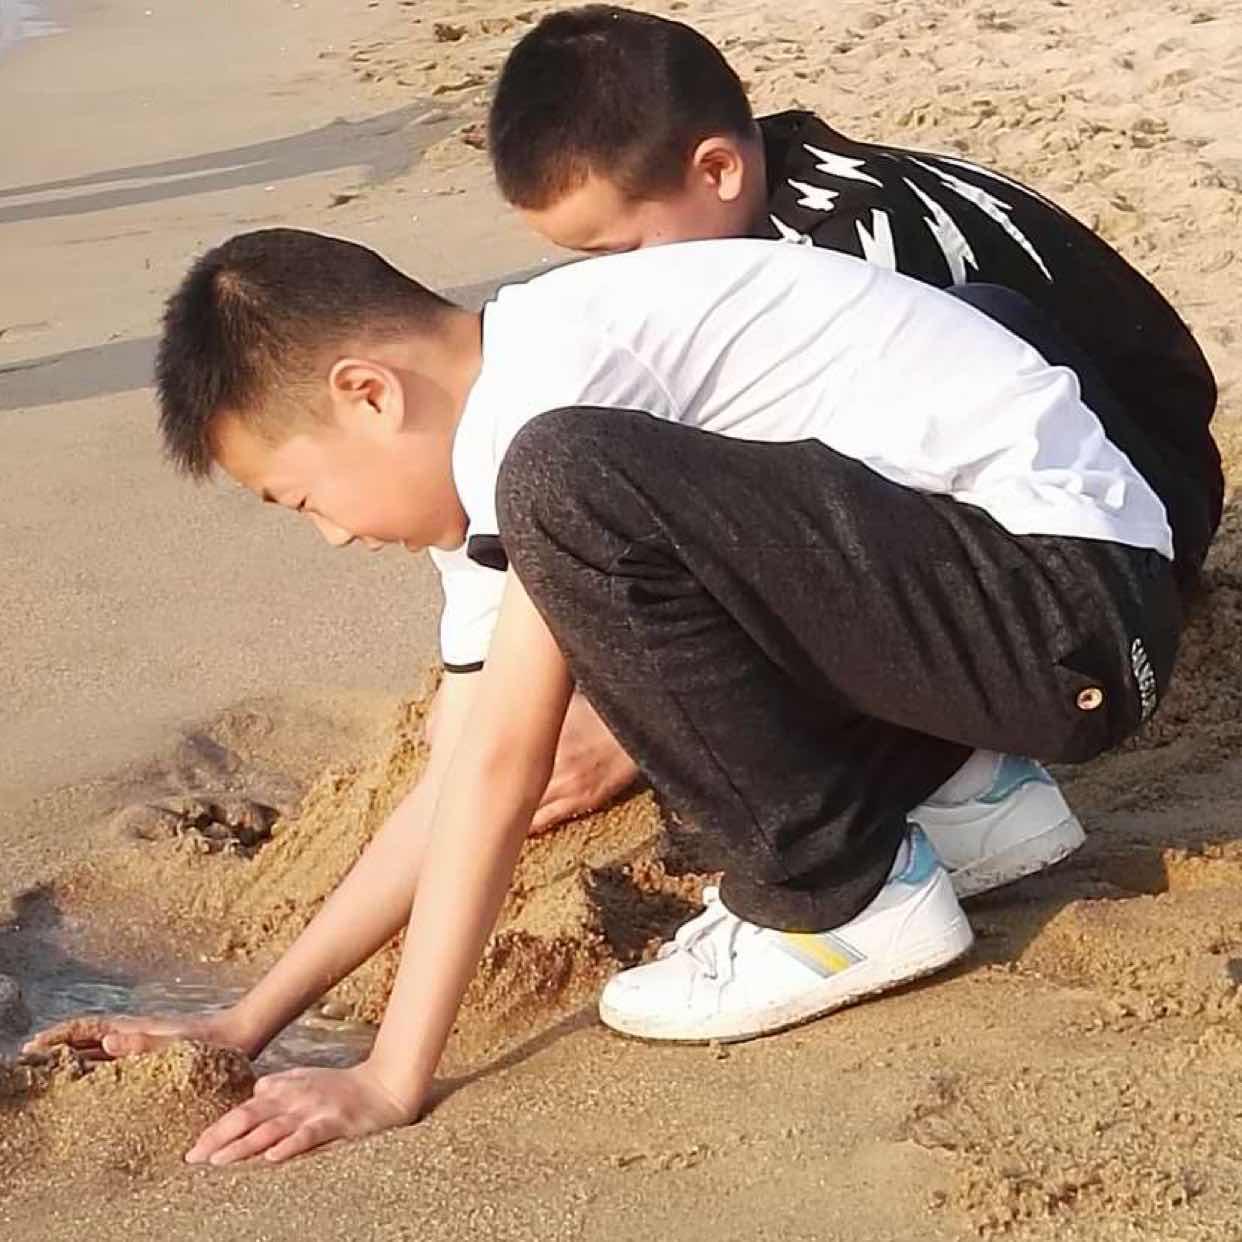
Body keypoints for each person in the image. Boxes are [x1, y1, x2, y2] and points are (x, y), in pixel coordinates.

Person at [29, 226, 1182, 1164]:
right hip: (1013, 622)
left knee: (568, 493)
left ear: (368, 393)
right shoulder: (511, 453)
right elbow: (457, 771)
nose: (331, 535)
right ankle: (963, 796)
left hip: (1065, 611)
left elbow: (505, 763)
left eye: (301, 499)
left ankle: (837, 902)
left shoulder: (553, 400)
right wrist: (245, 1021)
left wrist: (390, 1076)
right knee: (585, 534)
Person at [483, 5, 1221, 840]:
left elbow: (826, 508)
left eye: (615, 256)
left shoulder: (852, 246)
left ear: (718, 169)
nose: (605, 287)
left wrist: (637, 718)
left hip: (1132, 507)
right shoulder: (769, 182)